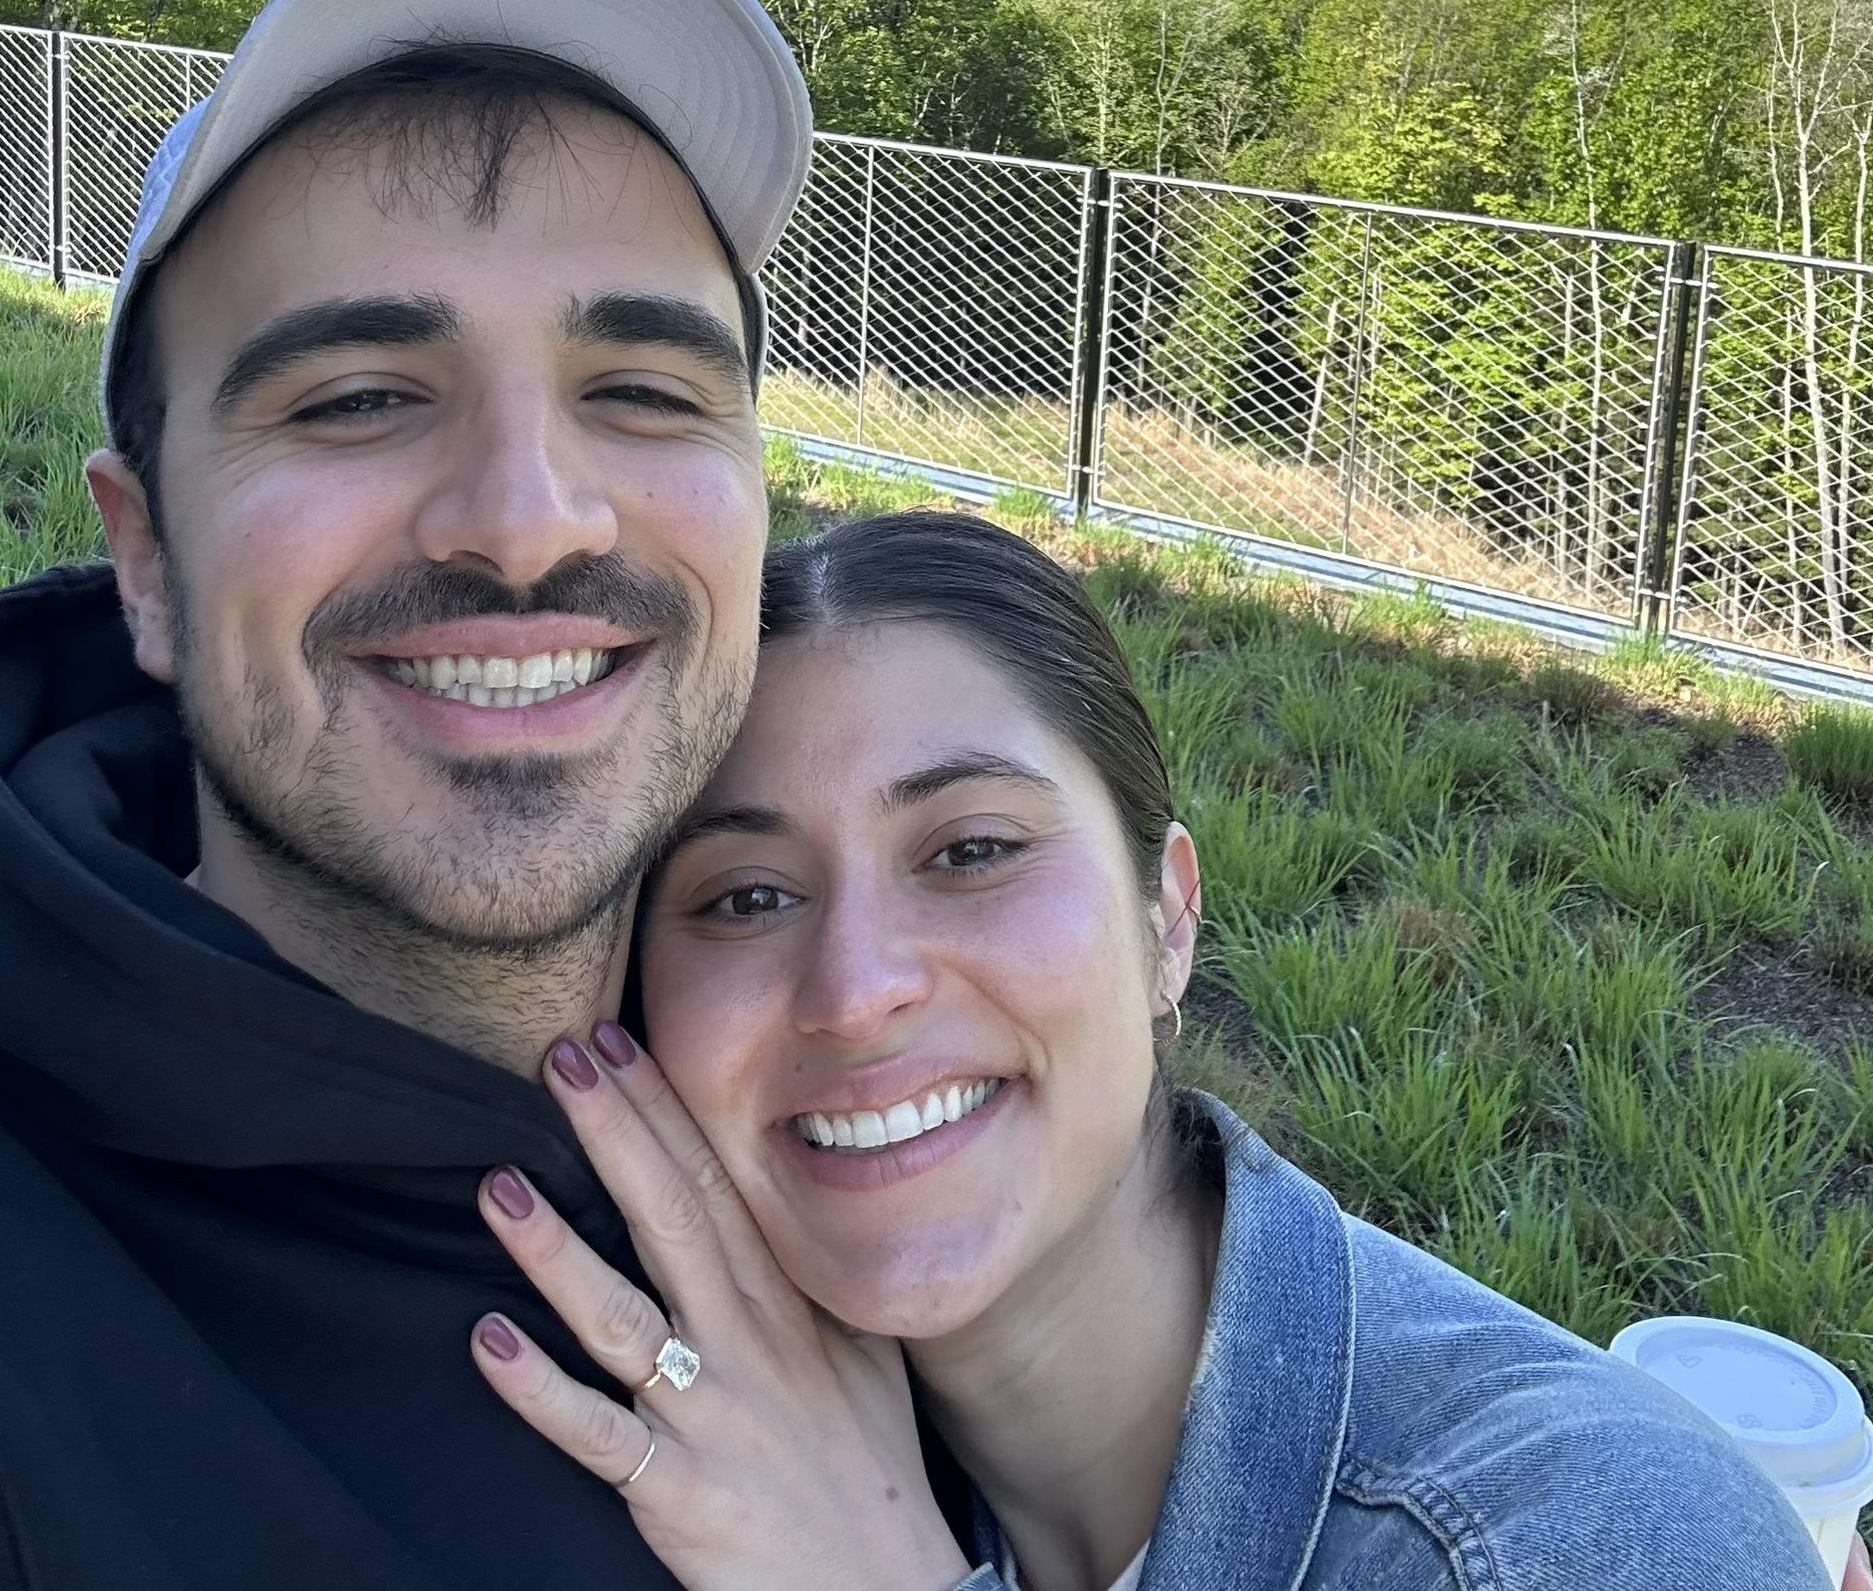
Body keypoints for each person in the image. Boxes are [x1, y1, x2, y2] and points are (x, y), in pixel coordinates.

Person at [0, 0, 952, 1590]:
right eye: (357, 399)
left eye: (643, 392)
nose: (530, 524)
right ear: (148, 562)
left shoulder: (897, 1075)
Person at [462, 511, 1853, 1591]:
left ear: (1167, 920)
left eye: (972, 851)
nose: (857, 990)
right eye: (747, 898)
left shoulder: (1573, 1547)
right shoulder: (719, 1459)